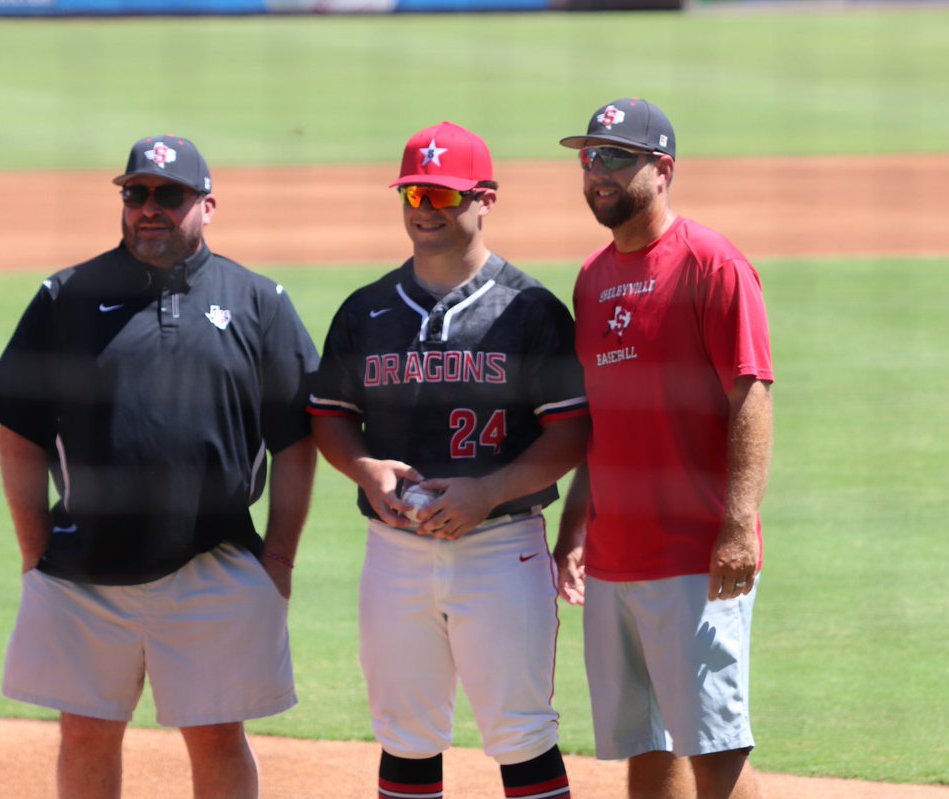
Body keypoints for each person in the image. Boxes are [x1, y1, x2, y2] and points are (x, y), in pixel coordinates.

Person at [0, 135, 319, 799]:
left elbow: (298, 441)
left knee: (218, 734)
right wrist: (32, 550)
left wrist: (279, 558)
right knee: (84, 731)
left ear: (207, 205)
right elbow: (19, 431)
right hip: (81, 571)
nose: (149, 208)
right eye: (136, 194)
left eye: (169, 194)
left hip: (214, 563)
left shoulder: (258, 302)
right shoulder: (66, 297)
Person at [308, 121, 590, 799]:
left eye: (442, 195)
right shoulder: (366, 310)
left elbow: (572, 435)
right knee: (405, 735)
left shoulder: (530, 312)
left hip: (502, 549)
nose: (424, 210)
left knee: (522, 735)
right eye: (413, 195)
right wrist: (364, 469)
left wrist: (487, 491)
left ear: (485, 198)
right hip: (393, 550)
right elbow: (329, 415)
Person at [552, 99, 775, 799]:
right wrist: (577, 523)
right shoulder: (592, 278)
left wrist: (739, 523)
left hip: (694, 555)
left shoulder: (713, 264)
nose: (598, 173)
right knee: (643, 748)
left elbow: (751, 395)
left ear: (664, 169)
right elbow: (598, 417)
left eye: (616, 158)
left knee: (713, 747)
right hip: (616, 556)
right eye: (590, 158)